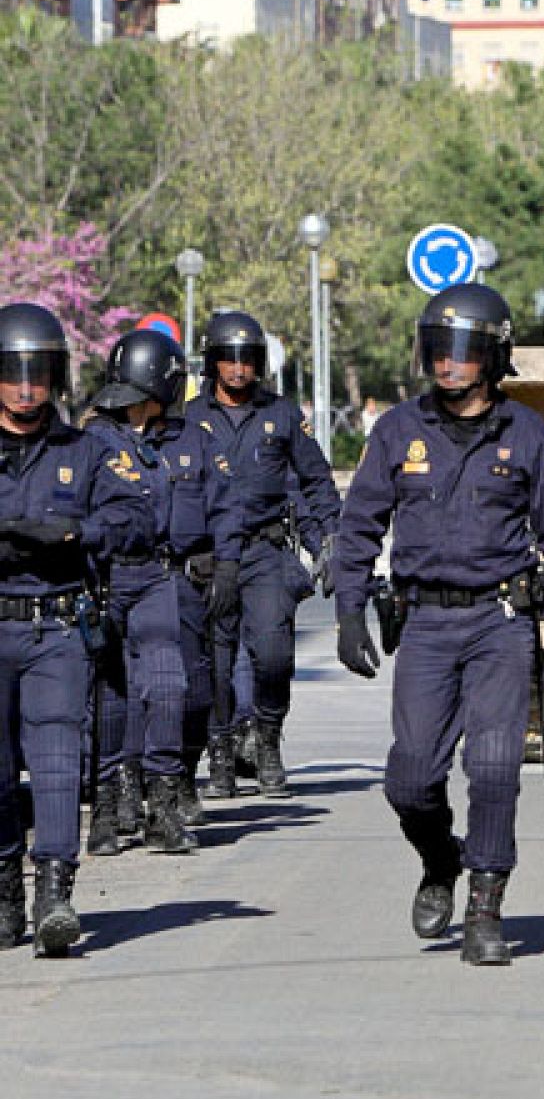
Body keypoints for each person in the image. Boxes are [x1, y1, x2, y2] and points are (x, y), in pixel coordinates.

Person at [332, 283, 544, 966]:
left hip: (500, 623)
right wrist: (348, 613)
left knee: (496, 766)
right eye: (438, 352)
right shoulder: (396, 432)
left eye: (464, 353)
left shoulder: (527, 434)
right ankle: (440, 859)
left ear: (494, 357)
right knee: (410, 778)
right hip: (424, 624)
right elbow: (358, 526)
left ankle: (485, 906)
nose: (447, 365)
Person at [0, 303, 152, 955]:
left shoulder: (85, 451)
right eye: (13, 372)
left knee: (59, 759)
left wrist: (74, 534)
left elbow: (139, 521)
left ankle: (55, 891)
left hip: (57, 627)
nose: (27, 387)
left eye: (39, 373)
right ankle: (6, 883)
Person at [83, 329, 241, 855]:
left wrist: (228, 567)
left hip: (162, 576)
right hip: (108, 578)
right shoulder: (93, 442)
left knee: (169, 686)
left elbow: (224, 506)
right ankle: (108, 804)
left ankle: (164, 801)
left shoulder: (191, 439)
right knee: (111, 695)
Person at [186, 311, 340, 798]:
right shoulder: (190, 418)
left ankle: (267, 737)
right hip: (210, 555)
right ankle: (222, 754)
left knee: (272, 655)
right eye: (228, 359)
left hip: (264, 549)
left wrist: (332, 544)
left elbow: (316, 481)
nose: (238, 369)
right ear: (213, 363)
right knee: (213, 658)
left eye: (247, 359)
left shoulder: (282, 415)